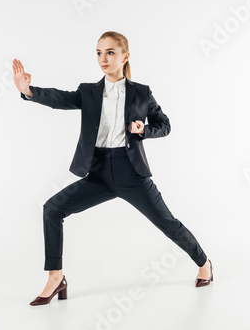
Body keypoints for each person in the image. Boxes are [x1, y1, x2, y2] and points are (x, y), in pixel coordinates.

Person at [12, 31, 213, 306]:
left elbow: (165, 124)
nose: (103, 59)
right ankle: (55, 276)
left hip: (132, 174)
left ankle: (204, 262)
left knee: (167, 223)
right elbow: (61, 98)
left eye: (110, 52)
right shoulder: (89, 92)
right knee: (52, 209)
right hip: (98, 174)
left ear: (125, 56)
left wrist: (144, 130)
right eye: (98, 52)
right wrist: (29, 91)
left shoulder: (142, 92)